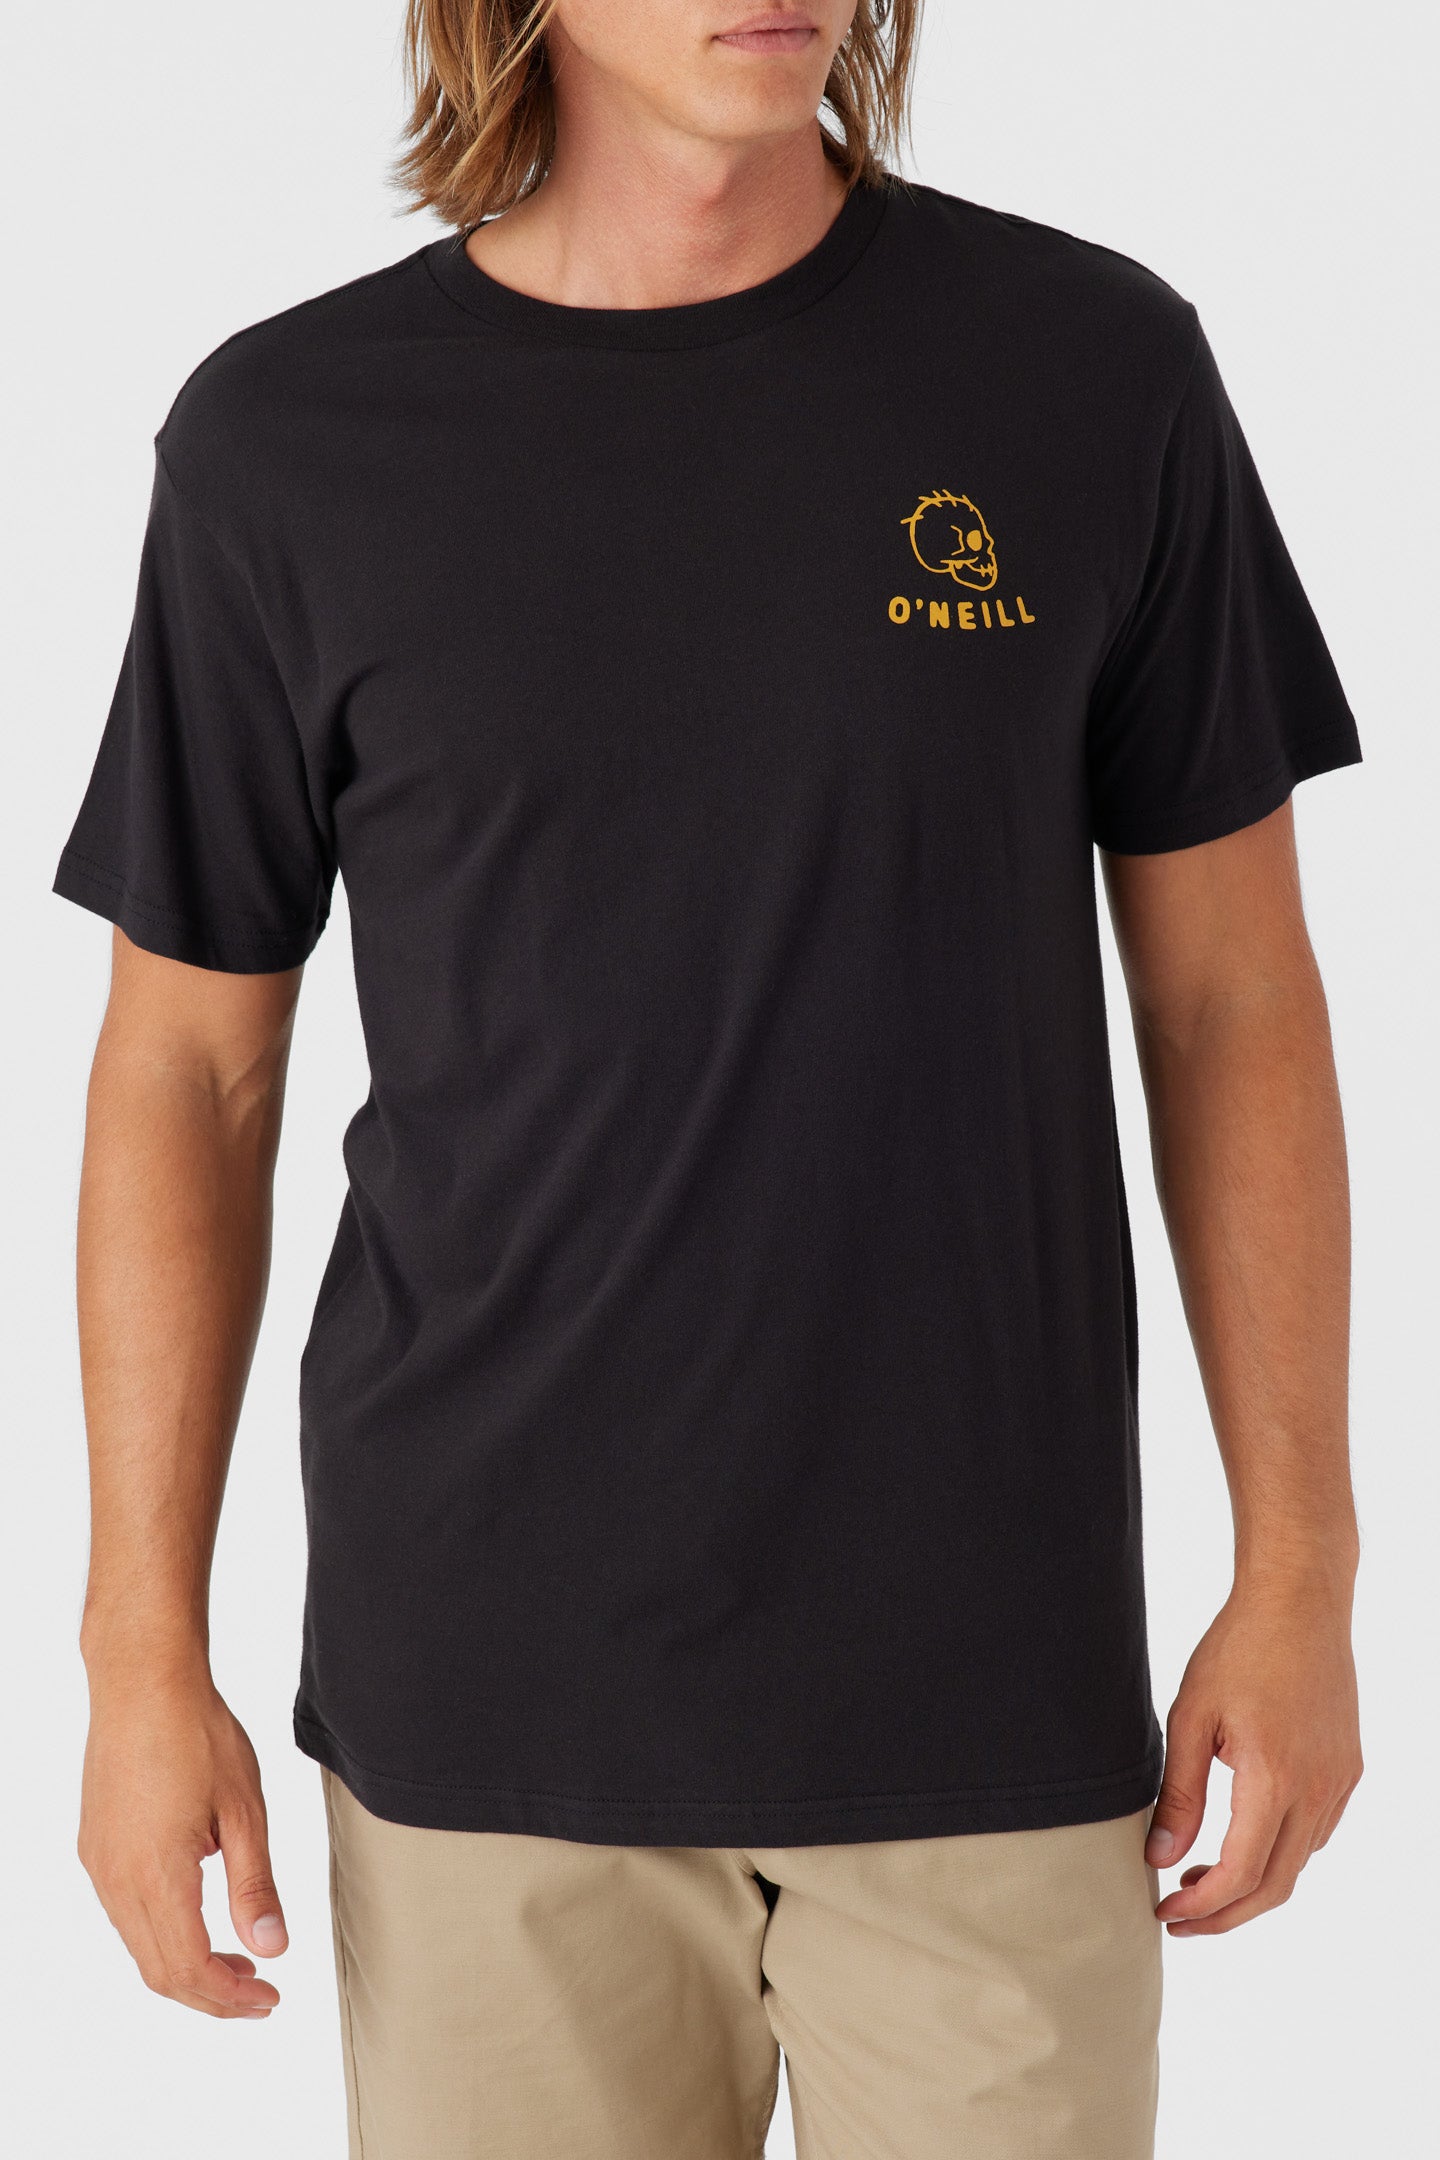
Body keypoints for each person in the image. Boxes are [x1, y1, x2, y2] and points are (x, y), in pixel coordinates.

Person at [57, 4, 1365, 2155]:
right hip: (488, 1716)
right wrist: (137, 1655)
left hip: (988, 1701)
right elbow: (186, 1073)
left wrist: (1303, 1568)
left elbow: (1233, 1000)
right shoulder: (285, 444)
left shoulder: (1090, 370)